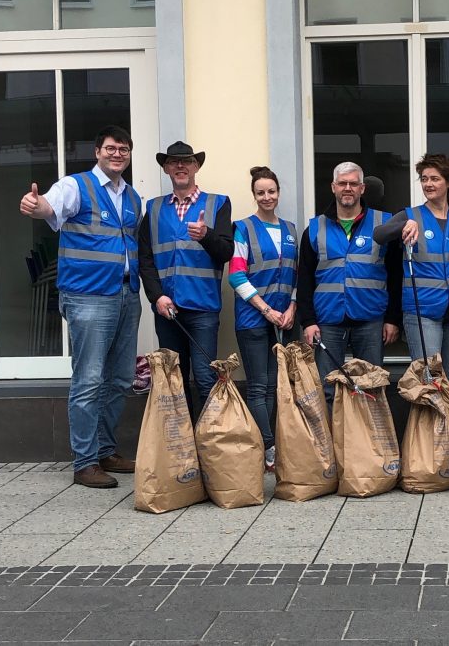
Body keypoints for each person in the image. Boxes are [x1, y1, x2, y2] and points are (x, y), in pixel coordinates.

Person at [18, 125, 142, 489]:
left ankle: (106, 451)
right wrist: (35, 206)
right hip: (88, 297)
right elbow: (48, 207)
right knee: (88, 380)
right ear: (97, 152)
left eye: (123, 149)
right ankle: (85, 462)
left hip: (125, 294)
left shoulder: (133, 198)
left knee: (119, 380)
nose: (117, 154)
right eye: (110, 148)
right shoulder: (76, 186)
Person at [138, 141, 233, 420]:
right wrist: (157, 297)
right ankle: (183, 450)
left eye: (187, 161)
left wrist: (206, 234)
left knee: (205, 380)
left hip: (203, 308)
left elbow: (226, 252)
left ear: (196, 166)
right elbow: (145, 259)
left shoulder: (218, 204)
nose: (181, 166)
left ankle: (207, 447)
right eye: (174, 162)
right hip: (168, 310)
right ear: (166, 168)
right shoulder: (153, 209)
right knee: (173, 383)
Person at [297, 161, 402, 403]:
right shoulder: (314, 229)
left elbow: (396, 275)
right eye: (342, 183)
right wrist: (308, 321)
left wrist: (392, 319)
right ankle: (334, 441)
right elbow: (304, 279)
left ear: (362, 188)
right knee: (328, 389)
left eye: (353, 183)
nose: (348, 188)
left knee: (371, 387)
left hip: (371, 319)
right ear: (333, 187)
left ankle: (368, 442)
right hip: (328, 320)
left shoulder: (383, 225)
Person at [372, 153, 449, 387]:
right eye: (424, 179)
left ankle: (446, 425)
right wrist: (402, 225)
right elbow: (379, 235)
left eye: (435, 178)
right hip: (422, 311)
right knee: (428, 379)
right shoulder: (411, 215)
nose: (428, 184)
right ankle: (426, 426)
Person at [228, 166, 297, 471]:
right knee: (258, 386)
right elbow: (236, 275)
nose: (267, 197)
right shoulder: (243, 228)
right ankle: (268, 446)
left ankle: (266, 446)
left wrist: (292, 307)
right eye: (260, 193)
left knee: (273, 386)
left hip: (284, 319)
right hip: (254, 318)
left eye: (271, 191)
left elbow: (297, 275)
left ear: (278, 193)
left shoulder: (291, 230)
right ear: (254, 195)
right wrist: (266, 310)